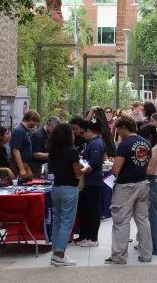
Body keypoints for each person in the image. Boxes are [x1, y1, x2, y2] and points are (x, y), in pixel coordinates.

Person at [106, 115, 153, 264]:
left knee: (121, 221)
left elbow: (116, 169)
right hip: (143, 182)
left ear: (123, 128)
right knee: (143, 220)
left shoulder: (125, 144)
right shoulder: (146, 143)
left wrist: (113, 166)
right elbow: (148, 166)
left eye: (118, 130)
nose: (118, 133)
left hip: (126, 186)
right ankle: (146, 254)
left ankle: (119, 256)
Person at [48, 123, 91, 267]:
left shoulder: (53, 150)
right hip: (69, 188)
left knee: (58, 221)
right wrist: (85, 168)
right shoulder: (71, 151)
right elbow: (77, 172)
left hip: (57, 187)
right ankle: (60, 254)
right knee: (67, 222)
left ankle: (55, 252)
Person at [139, 123, 157, 256]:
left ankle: (156, 247)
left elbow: (150, 170)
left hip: (153, 182)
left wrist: (139, 167)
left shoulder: (154, 150)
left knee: (153, 217)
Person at [75, 118, 105, 247]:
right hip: (88, 181)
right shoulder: (92, 143)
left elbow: (95, 162)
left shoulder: (96, 143)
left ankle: (92, 238)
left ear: (89, 131)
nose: (82, 136)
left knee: (92, 211)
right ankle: (86, 235)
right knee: (86, 210)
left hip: (93, 181)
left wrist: (82, 169)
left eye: (83, 133)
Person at [9, 109, 40, 181]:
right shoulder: (20, 131)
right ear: (31, 119)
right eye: (35, 122)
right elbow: (16, 150)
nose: (36, 124)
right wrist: (21, 168)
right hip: (20, 165)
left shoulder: (24, 131)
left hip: (24, 164)